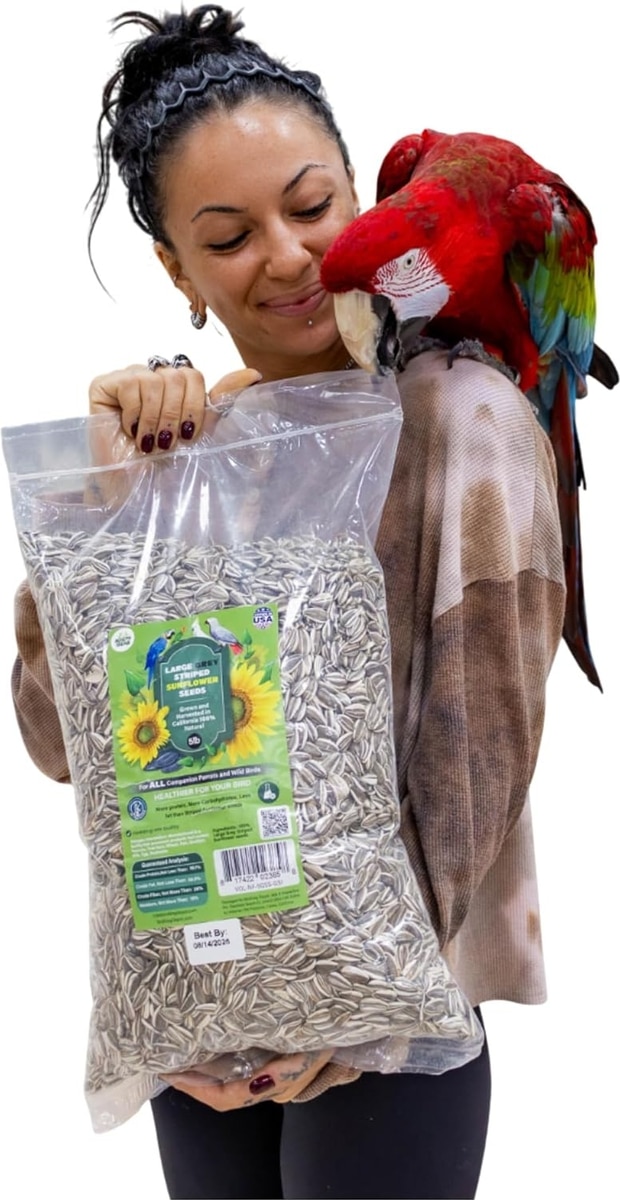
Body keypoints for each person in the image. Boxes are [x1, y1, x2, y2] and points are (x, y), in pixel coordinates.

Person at [10, 5, 567, 1198]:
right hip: (201, 995)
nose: (288, 256)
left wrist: (349, 1002)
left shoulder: (461, 418)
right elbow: (61, 744)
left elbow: (481, 748)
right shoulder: (191, 445)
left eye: (311, 207)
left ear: (361, 196)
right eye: (227, 236)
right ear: (178, 272)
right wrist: (107, 488)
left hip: (391, 1005)